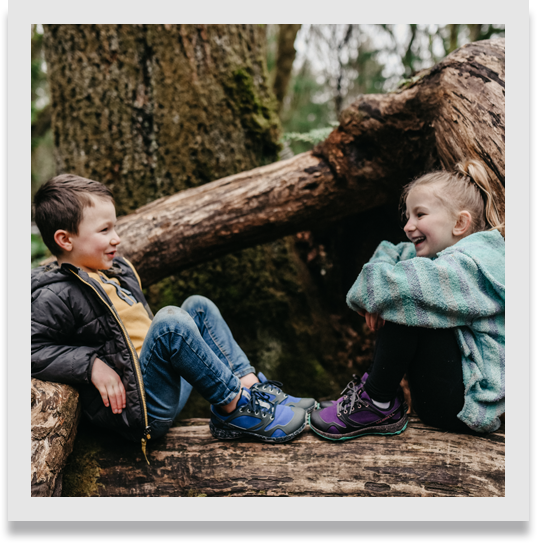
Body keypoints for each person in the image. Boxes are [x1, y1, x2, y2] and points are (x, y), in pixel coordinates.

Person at [31, 174, 316, 462]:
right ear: (65, 239)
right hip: (141, 412)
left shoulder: (114, 272)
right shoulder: (54, 295)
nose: (116, 238)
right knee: (171, 325)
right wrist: (90, 365)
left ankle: (252, 391)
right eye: (104, 230)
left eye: (114, 227)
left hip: (162, 384)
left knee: (197, 307)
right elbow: (28, 350)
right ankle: (235, 408)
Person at [309, 159, 505, 440]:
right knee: (405, 290)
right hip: (448, 397)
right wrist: (376, 298)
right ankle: (376, 398)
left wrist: (380, 297)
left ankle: (377, 401)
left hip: (468, 408)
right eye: (408, 216)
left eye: (420, 214)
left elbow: (400, 288)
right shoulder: (440, 261)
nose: (408, 226)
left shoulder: (473, 266)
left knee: (407, 297)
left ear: (460, 223)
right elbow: (389, 251)